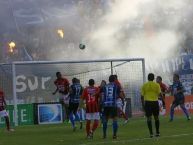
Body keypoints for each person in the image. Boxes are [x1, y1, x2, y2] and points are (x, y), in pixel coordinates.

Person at [141, 73, 161, 138]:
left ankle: (151, 133)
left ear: (148, 78)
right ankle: (157, 132)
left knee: (149, 118)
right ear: (153, 78)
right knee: (156, 118)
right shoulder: (157, 85)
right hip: (155, 102)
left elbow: (142, 96)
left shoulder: (144, 85)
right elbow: (159, 94)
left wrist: (143, 105)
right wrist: (163, 101)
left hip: (148, 103)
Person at [101, 75, 121, 139]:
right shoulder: (116, 86)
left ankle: (104, 135)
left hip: (106, 105)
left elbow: (102, 94)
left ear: (109, 80)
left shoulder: (104, 86)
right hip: (113, 105)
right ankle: (114, 135)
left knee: (105, 120)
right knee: (115, 119)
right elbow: (118, 94)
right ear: (114, 80)